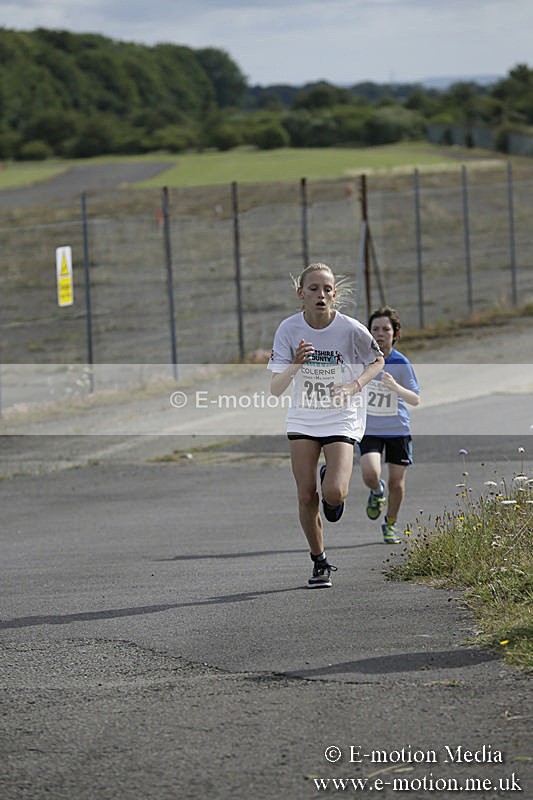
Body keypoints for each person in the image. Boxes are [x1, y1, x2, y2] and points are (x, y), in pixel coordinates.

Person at [268, 263, 384, 588]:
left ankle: (331, 484)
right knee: (306, 496)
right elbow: (275, 388)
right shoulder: (289, 329)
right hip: (304, 417)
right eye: (314, 288)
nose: (321, 294)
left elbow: (378, 360)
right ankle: (319, 561)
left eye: (327, 289)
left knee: (333, 492)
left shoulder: (350, 329)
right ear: (300, 293)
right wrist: (295, 364)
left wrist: (353, 386)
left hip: (340, 416)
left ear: (335, 294)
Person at [358, 306, 420, 544]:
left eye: (386, 329)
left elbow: (415, 398)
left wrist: (396, 387)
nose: (380, 334)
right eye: (375, 329)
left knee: (397, 482)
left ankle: (391, 523)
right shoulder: (361, 359)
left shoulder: (401, 362)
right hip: (370, 428)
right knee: (371, 473)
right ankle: (376, 491)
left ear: (396, 334)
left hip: (397, 429)